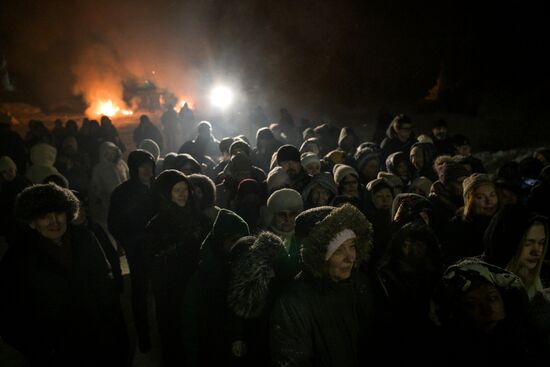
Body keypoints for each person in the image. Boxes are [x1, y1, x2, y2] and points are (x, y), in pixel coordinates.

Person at [0, 183, 128, 366]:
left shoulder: (85, 238)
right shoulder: (18, 257)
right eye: (45, 217)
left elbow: (104, 282)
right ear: (32, 221)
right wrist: (39, 350)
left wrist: (113, 328)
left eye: (58, 214)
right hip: (56, 352)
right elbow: (10, 314)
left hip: (99, 342)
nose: (54, 222)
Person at [270, 203, 373, 367]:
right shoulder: (293, 303)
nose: (350, 257)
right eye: (338, 250)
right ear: (317, 256)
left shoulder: (358, 286)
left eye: (352, 246)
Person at [145, 170, 210, 366]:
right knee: (174, 333)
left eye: (185, 189)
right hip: (171, 289)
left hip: (196, 282)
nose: (183, 194)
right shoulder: (157, 224)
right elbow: (154, 256)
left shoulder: (199, 217)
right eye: (176, 190)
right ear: (166, 194)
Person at [430, 258, 531, 365]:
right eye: (471, 304)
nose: (487, 311)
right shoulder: (451, 353)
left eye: (492, 298)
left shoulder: (526, 341)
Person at [483, 204, 550, 359]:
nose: (537, 251)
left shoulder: (535, 277)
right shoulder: (485, 285)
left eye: (541, 243)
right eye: (528, 243)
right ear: (509, 242)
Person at [108, 149, 157, 353]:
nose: (146, 170)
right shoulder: (122, 192)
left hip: (160, 248)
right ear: (134, 168)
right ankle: (144, 336)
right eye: (142, 166)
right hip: (138, 250)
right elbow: (114, 223)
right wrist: (129, 242)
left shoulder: (157, 189)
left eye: (150, 166)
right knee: (140, 292)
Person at [439, 173, 500, 266]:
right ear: (469, 200)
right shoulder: (456, 227)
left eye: (492, 195)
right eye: (480, 197)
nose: (488, 202)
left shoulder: (502, 221)